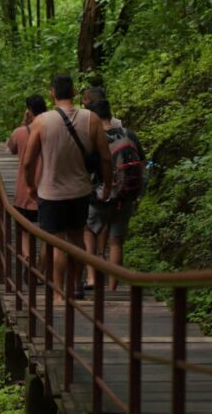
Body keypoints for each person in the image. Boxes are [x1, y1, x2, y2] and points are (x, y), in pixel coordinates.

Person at [22, 74, 112, 301]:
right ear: (73, 92)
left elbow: (28, 161)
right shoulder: (91, 119)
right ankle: (76, 285)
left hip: (50, 193)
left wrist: (31, 185)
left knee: (58, 243)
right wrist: (108, 185)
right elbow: (105, 157)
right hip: (81, 191)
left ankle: (59, 293)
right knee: (77, 239)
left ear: (52, 93)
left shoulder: (40, 122)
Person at [84, 98, 145, 291]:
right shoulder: (129, 134)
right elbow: (142, 164)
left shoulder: (94, 138)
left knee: (89, 232)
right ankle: (112, 287)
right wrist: (137, 194)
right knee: (116, 242)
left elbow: (88, 169)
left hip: (100, 196)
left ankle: (92, 278)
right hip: (126, 195)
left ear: (93, 116)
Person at [7, 94, 47, 265]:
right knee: (49, 233)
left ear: (29, 111)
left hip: (25, 192)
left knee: (24, 231)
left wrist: (24, 123)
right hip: (49, 191)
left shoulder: (20, 132)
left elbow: (11, 148)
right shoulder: (52, 130)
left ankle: (29, 264)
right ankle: (42, 268)